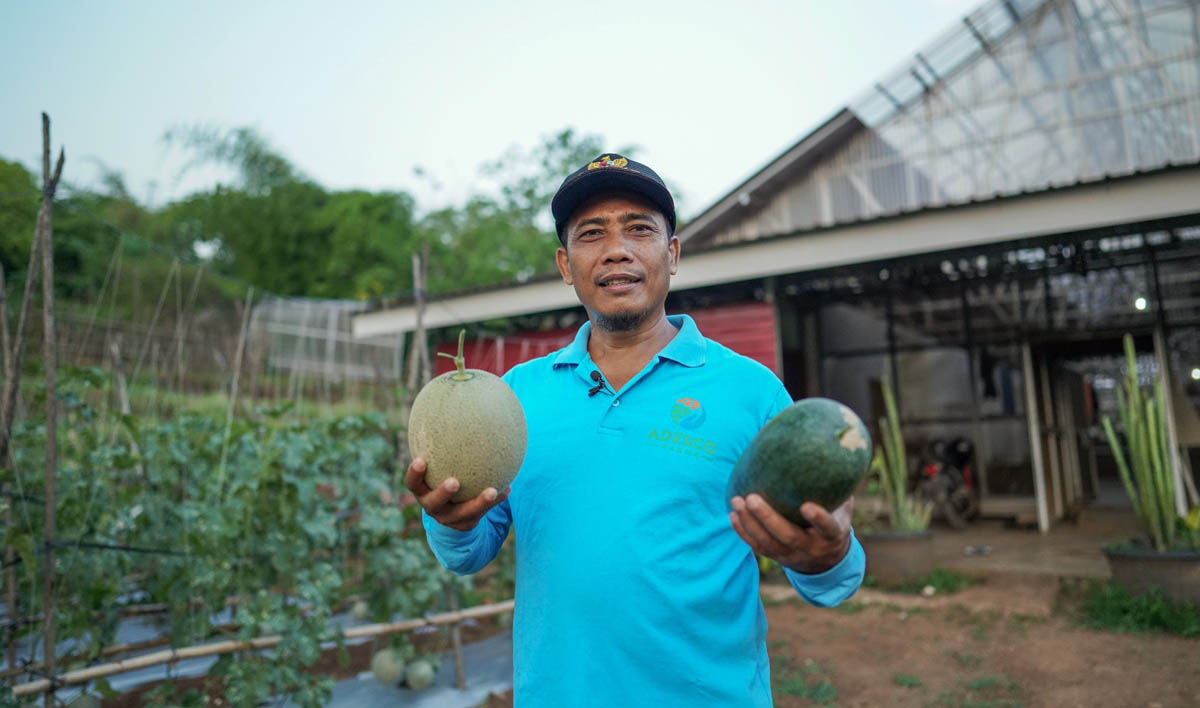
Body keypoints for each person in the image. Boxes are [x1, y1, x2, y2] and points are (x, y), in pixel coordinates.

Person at [405, 153, 865, 706]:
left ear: (672, 254)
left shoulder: (751, 391)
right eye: (591, 233)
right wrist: (449, 521)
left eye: (639, 229)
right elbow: (470, 553)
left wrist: (827, 558)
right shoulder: (514, 396)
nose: (615, 249)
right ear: (564, 263)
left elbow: (829, 573)